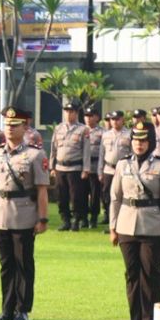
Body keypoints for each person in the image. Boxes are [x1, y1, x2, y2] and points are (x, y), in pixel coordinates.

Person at [108, 119, 160, 320]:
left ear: (151, 142)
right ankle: (135, 319)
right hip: (126, 224)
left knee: (151, 273)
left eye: (144, 140)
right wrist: (113, 226)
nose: (139, 144)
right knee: (132, 273)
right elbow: (115, 198)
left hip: (152, 225)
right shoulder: (122, 165)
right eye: (136, 140)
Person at [0, 107, 49, 320]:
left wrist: (42, 219)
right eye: (7, 125)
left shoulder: (35, 154)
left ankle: (22, 309)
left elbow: (42, 189)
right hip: (1, 213)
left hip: (24, 214)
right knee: (6, 265)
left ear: (25, 127)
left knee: (23, 264)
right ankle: (7, 308)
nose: (10, 129)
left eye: (15, 125)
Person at [50, 100, 91, 230]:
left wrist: (86, 169)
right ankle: (65, 220)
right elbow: (53, 149)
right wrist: (52, 166)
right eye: (66, 111)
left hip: (75, 168)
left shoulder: (83, 129)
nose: (68, 114)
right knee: (61, 196)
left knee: (76, 196)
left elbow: (86, 150)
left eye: (71, 112)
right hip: (60, 167)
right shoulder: (58, 128)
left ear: (76, 113)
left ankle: (76, 220)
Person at [97, 111, 130, 235]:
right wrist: (100, 171)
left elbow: (132, 154)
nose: (115, 122)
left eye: (117, 119)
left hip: (123, 170)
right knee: (107, 196)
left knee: (121, 196)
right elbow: (101, 154)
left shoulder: (129, 134)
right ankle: (110, 220)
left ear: (123, 120)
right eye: (112, 119)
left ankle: (121, 222)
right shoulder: (106, 135)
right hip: (108, 169)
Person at [82, 105, 104, 227]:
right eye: (86, 116)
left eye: (91, 116)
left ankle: (94, 218)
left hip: (95, 166)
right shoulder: (81, 130)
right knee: (82, 194)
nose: (88, 118)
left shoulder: (102, 132)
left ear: (97, 117)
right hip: (82, 167)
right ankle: (83, 218)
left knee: (95, 194)